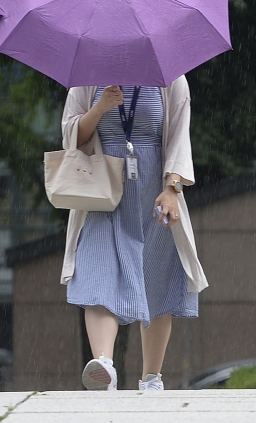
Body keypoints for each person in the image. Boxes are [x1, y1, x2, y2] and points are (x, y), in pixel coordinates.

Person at [60, 78, 197, 391]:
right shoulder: (87, 78)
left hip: (155, 192)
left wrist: (171, 189)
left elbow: (179, 136)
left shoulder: (170, 77)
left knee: (157, 278)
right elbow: (71, 136)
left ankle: (151, 378)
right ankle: (104, 366)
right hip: (103, 192)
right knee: (96, 270)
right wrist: (101, 107)